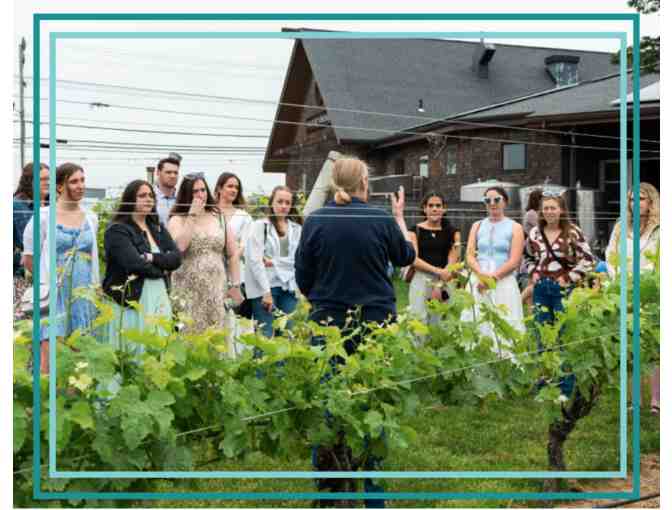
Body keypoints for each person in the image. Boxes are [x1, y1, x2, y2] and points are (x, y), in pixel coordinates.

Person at [295, 156, 415, 507]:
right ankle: (373, 497)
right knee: (375, 401)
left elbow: (303, 277)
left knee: (329, 401)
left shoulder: (316, 220)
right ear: (364, 182)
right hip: (376, 322)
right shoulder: (379, 218)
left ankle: (330, 494)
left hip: (328, 322)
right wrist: (399, 218)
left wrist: (325, 299)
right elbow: (406, 256)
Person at [22, 163, 100, 374]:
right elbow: (29, 259)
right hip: (54, 295)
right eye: (74, 181)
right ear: (59, 186)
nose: (80, 185)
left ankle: (73, 394)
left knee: (79, 357)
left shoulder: (91, 218)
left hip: (83, 294)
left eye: (82, 180)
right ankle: (46, 394)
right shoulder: (43, 217)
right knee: (49, 355)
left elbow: (93, 258)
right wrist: (47, 283)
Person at [524, 192, 595, 395]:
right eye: (545, 208)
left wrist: (569, 278)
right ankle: (545, 381)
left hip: (564, 289)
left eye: (553, 208)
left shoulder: (572, 232)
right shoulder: (535, 233)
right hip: (541, 289)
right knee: (542, 335)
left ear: (561, 210)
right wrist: (533, 272)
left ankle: (565, 386)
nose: (549, 212)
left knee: (564, 336)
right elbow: (527, 257)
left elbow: (588, 260)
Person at [103, 180, 182, 354]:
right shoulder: (117, 230)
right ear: (130, 199)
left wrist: (152, 258)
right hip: (132, 299)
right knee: (133, 349)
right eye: (142, 195)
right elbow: (135, 264)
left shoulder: (157, 228)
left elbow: (176, 258)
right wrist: (163, 269)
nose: (148, 199)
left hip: (159, 294)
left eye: (151, 196)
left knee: (159, 347)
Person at [604, 182, 660, 414]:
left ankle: (657, 399)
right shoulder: (620, 226)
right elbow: (610, 254)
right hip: (624, 291)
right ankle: (633, 399)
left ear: (651, 202)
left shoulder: (661, 228)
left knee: (655, 346)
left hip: (651, 292)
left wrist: (649, 283)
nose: (635, 203)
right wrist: (618, 280)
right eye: (631, 199)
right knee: (628, 345)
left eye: (641, 199)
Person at [168, 173, 242, 334]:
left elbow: (233, 254)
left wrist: (235, 285)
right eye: (195, 191)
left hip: (216, 287)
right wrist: (192, 215)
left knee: (216, 335)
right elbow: (180, 247)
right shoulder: (177, 219)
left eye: (203, 190)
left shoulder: (218, 216)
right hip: (187, 289)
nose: (200, 194)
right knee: (189, 334)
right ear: (187, 194)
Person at [463, 186, 526, 357]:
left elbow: (514, 260)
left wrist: (493, 278)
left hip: (503, 281)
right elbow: (469, 255)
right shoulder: (476, 225)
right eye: (487, 200)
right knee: (477, 319)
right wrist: (480, 274)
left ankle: (506, 361)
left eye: (497, 199)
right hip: (478, 279)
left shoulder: (515, 227)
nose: (492, 203)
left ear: (505, 202)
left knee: (504, 321)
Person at [245, 185, 302, 338]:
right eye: (280, 201)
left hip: (288, 288)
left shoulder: (297, 229)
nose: (283, 206)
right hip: (266, 288)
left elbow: (297, 260)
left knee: (288, 336)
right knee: (265, 337)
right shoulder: (260, 226)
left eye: (287, 203)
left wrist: (274, 262)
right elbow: (255, 261)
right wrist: (266, 292)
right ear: (272, 203)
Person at [407, 192, 461, 323]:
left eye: (438, 205)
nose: (434, 209)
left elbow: (454, 258)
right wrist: (437, 271)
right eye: (430, 205)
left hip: (445, 280)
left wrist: (439, 284)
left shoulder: (453, 232)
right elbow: (414, 259)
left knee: (441, 321)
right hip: (421, 279)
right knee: (418, 320)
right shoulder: (414, 231)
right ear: (424, 208)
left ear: (444, 209)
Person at [13, 162, 50, 320]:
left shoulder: (52, 206)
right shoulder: (17, 206)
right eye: (43, 179)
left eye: (50, 179)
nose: (48, 183)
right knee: (22, 324)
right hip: (22, 278)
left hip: (46, 277)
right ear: (30, 181)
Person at [154, 154, 181, 225]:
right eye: (168, 172)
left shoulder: (183, 198)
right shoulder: (150, 198)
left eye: (176, 173)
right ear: (158, 173)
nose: (173, 176)